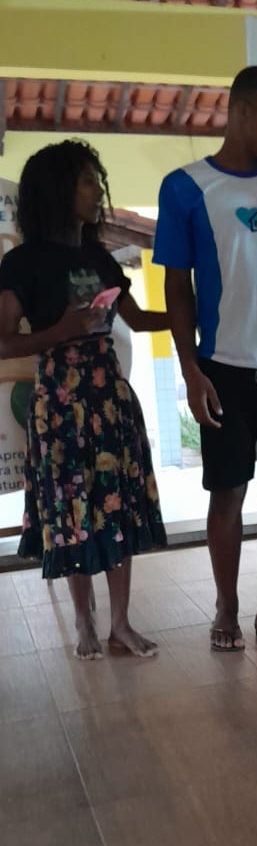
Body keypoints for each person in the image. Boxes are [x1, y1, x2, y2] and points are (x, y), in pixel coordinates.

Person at [153, 66, 257, 654]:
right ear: (241, 113)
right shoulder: (186, 187)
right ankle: (226, 606)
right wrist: (190, 370)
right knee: (228, 492)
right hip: (222, 370)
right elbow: (177, 287)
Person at [0, 140, 167, 659]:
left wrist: (194, 316)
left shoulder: (100, 257)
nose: (99, 191)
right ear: (58, 189)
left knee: (119, 506)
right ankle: (83, 621)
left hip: (110, 398)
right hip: (60, 404)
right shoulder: (22, 262)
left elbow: (139, 320)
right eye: (88, 180)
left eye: (98, 180)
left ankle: (121, 623)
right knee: (72, 509)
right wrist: (61, 330)